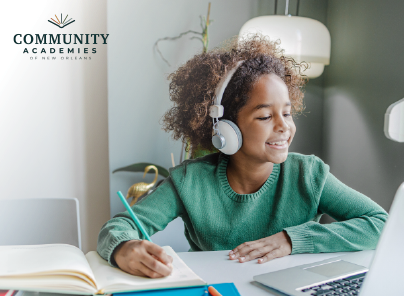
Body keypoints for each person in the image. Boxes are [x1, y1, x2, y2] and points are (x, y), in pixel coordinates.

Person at [97, 34, 388, 279]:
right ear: (226, 129)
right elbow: (117, 228)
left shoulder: (308, 174)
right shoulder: (189, 181)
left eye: (286, 113)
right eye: (264, 116)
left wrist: (293, 240)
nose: (284, 126)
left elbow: (380, 224)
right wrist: (123, 248)